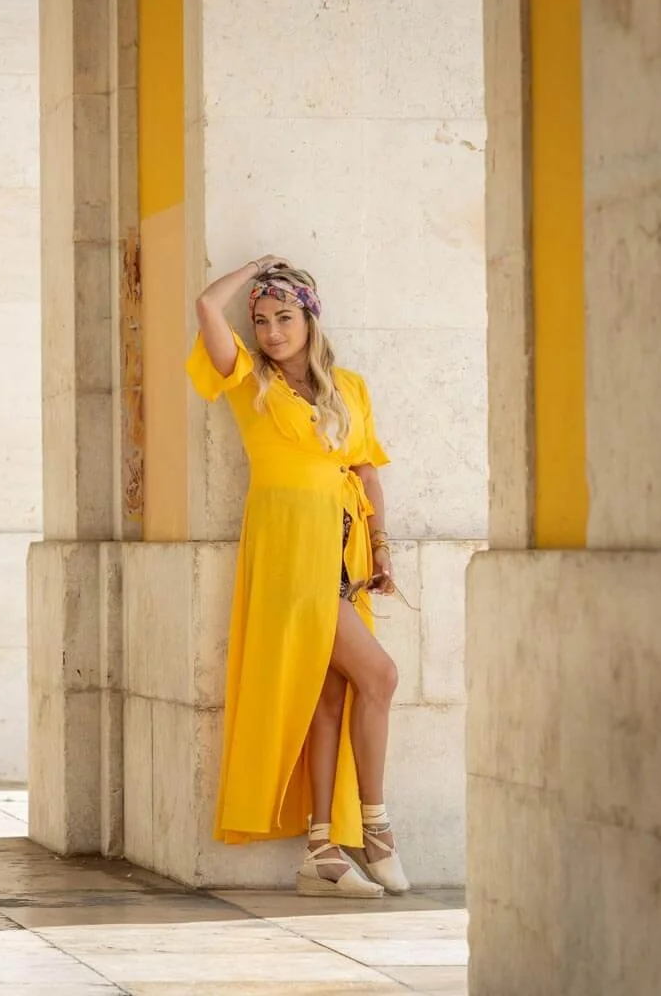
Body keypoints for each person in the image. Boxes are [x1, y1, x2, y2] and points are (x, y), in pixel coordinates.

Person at [186, 255, 409, 898]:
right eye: (261, 320)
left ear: (310, 319)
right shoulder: (249, 381)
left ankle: (321, 849)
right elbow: (206, 307)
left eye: (285, 317)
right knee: (381, 675)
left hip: (342, 556)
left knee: (331, 697)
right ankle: (376, 829)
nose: (273, 332)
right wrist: (254, 269)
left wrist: (383, 550)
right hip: (286, 556)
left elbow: (366, 472)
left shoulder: (350, 389)